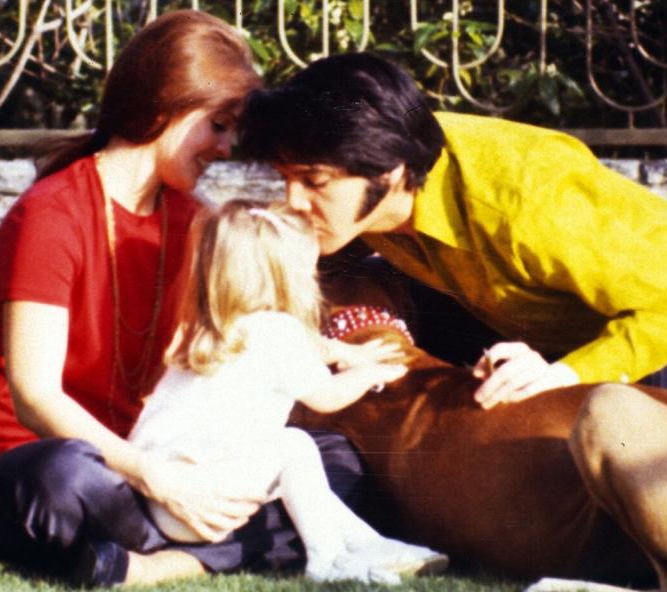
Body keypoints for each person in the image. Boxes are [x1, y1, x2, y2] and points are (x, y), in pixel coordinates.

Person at [0, 11, 370, 588]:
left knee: (330, 459)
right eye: (218, 124)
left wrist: (339, 351)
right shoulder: (52, 214)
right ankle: (206, 548)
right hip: (39, 471)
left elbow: (245, 329)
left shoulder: (194, 220)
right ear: (168, 106)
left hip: (152, 476)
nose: (225, 147)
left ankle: (153, 562)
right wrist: (156, 479)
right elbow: (34, 399)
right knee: (63, 477)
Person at [238, 52, 667, 406]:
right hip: (509, 317)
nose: (293, 202)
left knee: (640, 428)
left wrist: (563, 376)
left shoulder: (528, 196)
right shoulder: (361, 191)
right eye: (285, 179)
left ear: (387, 173)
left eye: (313, 181)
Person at [128, 199, 448, 584]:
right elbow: (327, 396)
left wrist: (347, 352)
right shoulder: (281, 332)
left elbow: (312, 348)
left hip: (157, 498)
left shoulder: (212, 330)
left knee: (297, 476)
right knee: (293, 447)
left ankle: (372, 544)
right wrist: (372, 372)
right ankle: (326, 561)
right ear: (285, 276)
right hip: (207, 505)